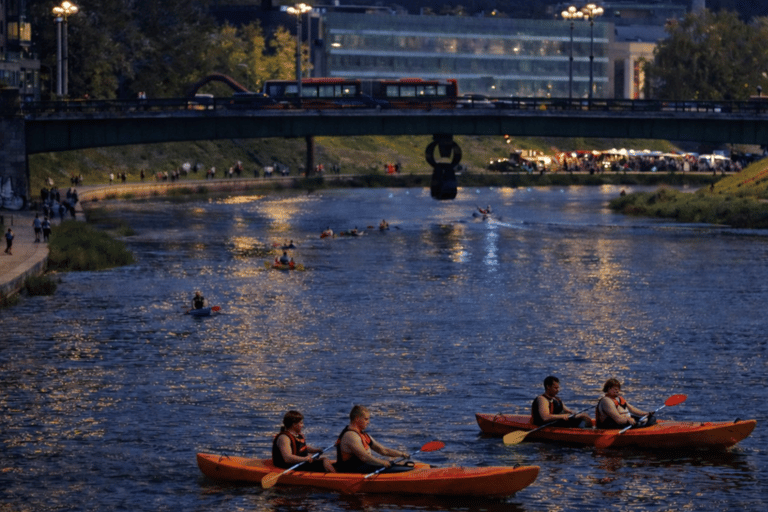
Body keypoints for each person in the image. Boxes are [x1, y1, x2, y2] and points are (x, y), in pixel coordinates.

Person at [334, 405, 411, 474]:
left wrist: (402, 454)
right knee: (400, 469)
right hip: (350, 470)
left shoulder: (363, 435)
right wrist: (382, 462)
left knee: (404, 467)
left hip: (363, 467)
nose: (368, 422)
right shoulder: (350, 435)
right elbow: (364, 457)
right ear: (357, 419)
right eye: (366, 419)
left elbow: (383, 450)